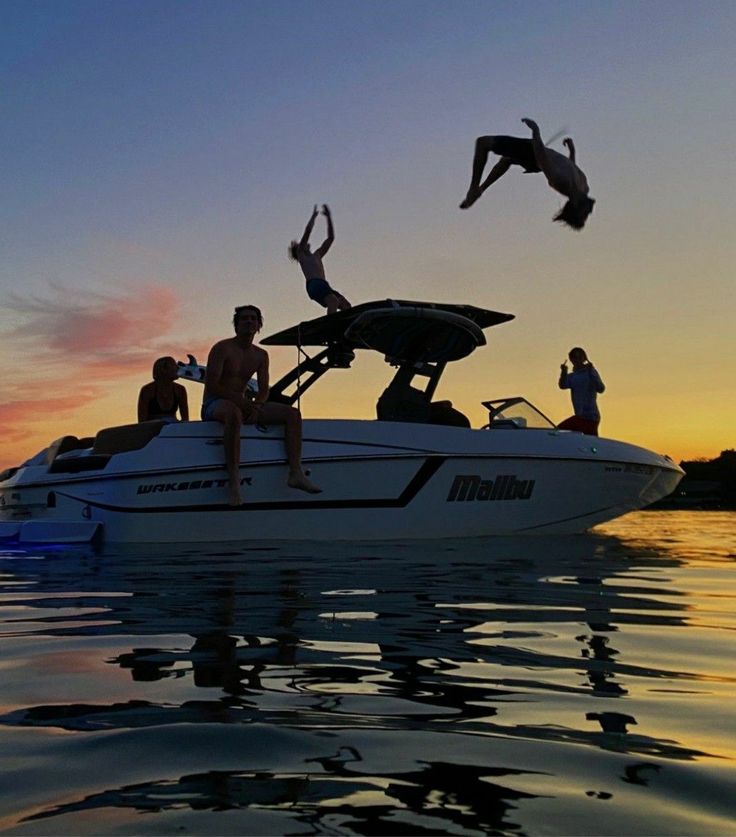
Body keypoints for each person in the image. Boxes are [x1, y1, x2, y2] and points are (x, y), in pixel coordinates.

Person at [201, 304, 322, 505]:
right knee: (234, 415)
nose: (249, 321)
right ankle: (234, 482)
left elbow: (264, 389)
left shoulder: (261, 355)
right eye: (244, 318)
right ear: (236, 324)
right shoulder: (222, 348)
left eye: (253, 319)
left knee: (292, 414)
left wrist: (257, 404)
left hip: (245, 404)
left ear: (259, 325)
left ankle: (296, 473)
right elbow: (212, 385)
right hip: (215, 403)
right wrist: (241, 402)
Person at [459, 117, 595, 229]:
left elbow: (540, 157)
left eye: (585, 214)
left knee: (482, 143)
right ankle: (480, 190)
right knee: (506, 160)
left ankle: (473, 189)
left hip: (532, 152)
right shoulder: (584, 188)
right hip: (535, 156)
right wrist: (572, 151)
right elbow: (571, 168)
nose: (590, 211)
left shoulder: (559, 181)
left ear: (576, 205)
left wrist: (535, 130)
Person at [289, 204, 351, 314]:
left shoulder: (317, 255)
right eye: (301, 244)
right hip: (314, 284)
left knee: (345, 304)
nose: (305, 243)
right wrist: (313, 216)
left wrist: (329, 217)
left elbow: (330, 238)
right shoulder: (301, 255)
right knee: (333, 301)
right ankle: (330, 326)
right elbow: (307, 232)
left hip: (323, 284)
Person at [557, 347, 605, 435]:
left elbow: (601, 388)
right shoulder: (573, 376)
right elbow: (562, 385)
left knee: (589, 442)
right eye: (574, 358)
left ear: (584, 358)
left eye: (579, 357)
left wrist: (592, 373)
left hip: (591, 416)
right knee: (559, 432)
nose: (576, 360)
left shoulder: (591, 372)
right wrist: (564, 372)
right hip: (580, 417)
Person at [137, 356, 189, 423]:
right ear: (164, 370)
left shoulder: (180, 390)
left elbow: (185, 420)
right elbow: (142, 422)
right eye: (174, 366)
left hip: (172, 428)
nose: (177, 368)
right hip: (153, 430)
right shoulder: (147, 391)